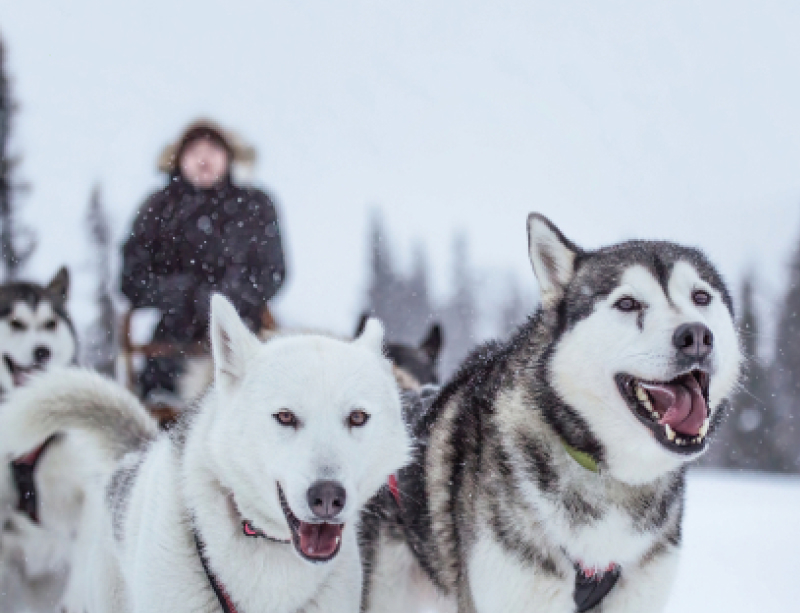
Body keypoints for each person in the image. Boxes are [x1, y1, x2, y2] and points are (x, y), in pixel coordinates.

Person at [121, 119, 286, 404]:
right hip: (171, 341)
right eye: (194, 149)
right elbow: (131, 278)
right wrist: (180, 294)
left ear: (229, 157)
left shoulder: (254, 206)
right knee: (160, 407)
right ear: (178, 159)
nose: (203, 157)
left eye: (213, 148)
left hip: (244, 332)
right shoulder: (159, 208)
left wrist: (226, 296)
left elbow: (272, 273)